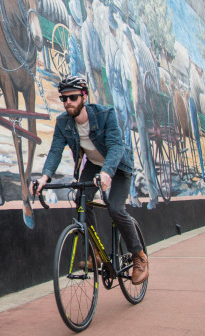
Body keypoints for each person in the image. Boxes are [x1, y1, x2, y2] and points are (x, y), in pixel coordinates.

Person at [33, 75, 148, 284]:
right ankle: (94, 254)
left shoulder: (106, 114)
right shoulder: (63, 123)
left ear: (84, 97)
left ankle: (139, 256)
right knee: (81, 201)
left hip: (119, 167)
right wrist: (44, 178)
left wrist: (107, 172)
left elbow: (116, 146)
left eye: (73, 97)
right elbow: (55, 151)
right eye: (64, 99)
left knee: (115, 209)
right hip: (94, 165)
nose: (68, 102)